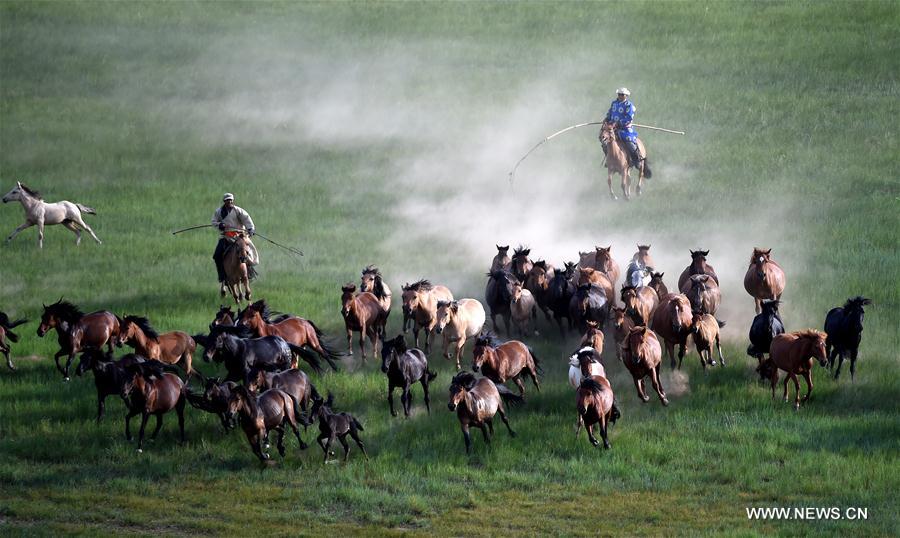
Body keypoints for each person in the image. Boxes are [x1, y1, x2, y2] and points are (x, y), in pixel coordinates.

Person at [212, 193, 255, 290]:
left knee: (249, 253)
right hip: (227, 236)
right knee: (217, 255)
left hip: (240, 236)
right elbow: (214, 221)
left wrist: (251, 229)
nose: (229, 202)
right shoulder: (219, 212)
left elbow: (246, 219)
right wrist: (220, 225)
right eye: (227, 200)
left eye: (230, 200)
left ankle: (249, 273)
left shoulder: (238, 210)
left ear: (233, 200)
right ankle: (223, 276)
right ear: (224, 201)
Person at [603, 87, 643, 167]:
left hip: (624, 128)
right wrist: (607, 119)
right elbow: (610, 112)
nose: (620, 96)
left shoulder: (629, 106)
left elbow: (629, 117)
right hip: (612, 128)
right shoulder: (614, 103)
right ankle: (609, 158)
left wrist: (618, 123)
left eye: (622, 95)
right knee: (604, 140)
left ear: (626, 96)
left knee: (629, 141)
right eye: (619, 94)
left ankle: (636, 160)